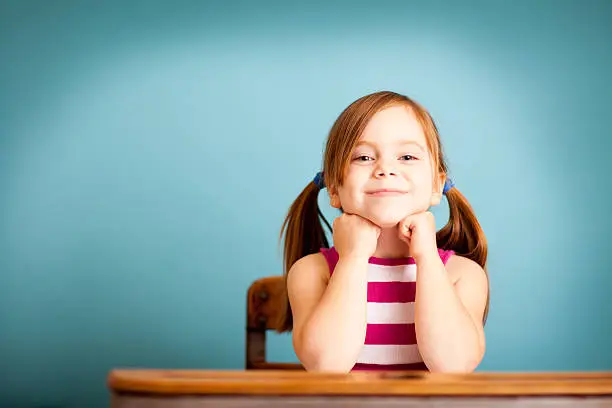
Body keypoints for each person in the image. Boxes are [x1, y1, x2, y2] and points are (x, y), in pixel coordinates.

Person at [277, 91, 489, 373]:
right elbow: (326, 365)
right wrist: (353, 258)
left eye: (407, 156)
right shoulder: (313, 272)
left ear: (437, 185)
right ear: (335, 188)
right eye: (363, 157)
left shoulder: (461, 274)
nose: (385, 169)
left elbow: (453, 365)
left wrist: (426, 258)